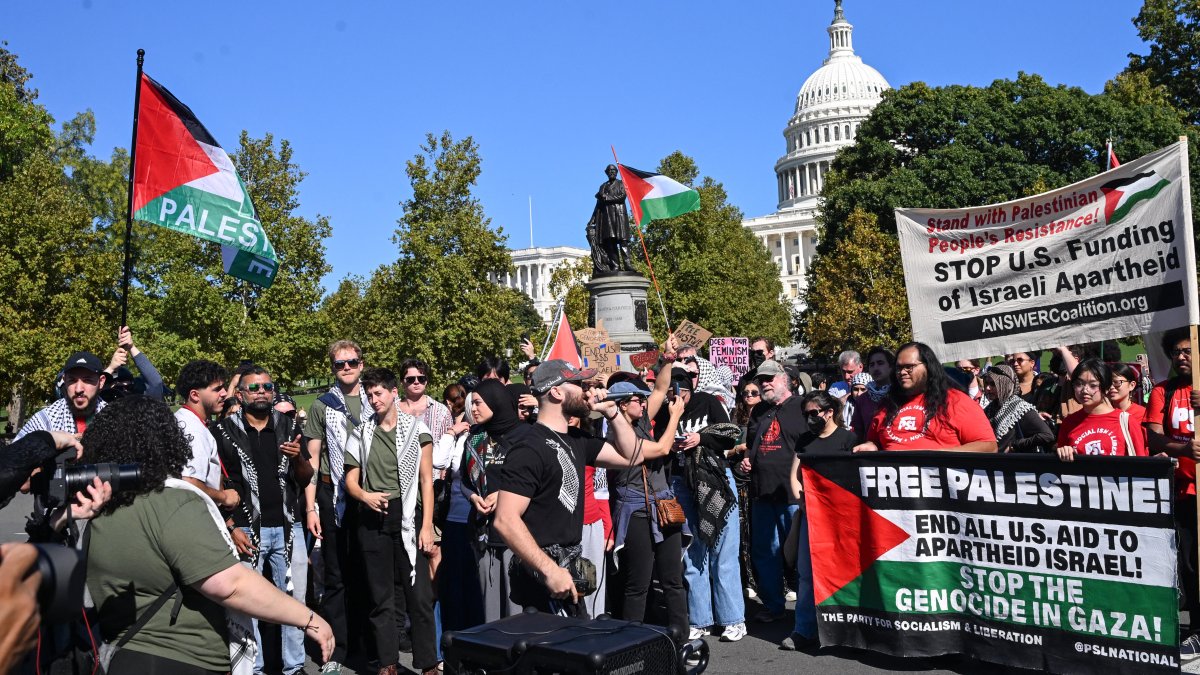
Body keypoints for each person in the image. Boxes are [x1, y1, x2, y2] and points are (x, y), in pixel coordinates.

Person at [83, 395, 333, 674]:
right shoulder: (171, 503)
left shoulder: (94, 510)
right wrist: (309, 619)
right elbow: (231, 585)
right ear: (164, 440)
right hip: (180, 657)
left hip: (119, 654)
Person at [492, 359, 647, 618]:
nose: (587, 390)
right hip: (539, 576)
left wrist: (612, 412)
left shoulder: (577, 440)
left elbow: (633, 456)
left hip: (569, 570)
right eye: (577, 383)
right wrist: (549, 570)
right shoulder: (528, 448)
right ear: (556, 391)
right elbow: (505, 520)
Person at [212, 367, 312, 675]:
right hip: (244, 527)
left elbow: (305, 477)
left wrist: (297, 457)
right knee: (247, 602)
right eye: (254, 387)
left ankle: (293, 666)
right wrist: (230, 525)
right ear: (240, 394)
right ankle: (251, 668)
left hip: (288, 526)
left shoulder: (289, 425)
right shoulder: (222, 431)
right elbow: (214, 483)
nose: (262, 392)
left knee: (294, 599)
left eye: (267, 387)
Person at [343, 367, 438, 675]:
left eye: (379, 393)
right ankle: (387, 662)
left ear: (394, 393)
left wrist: (427, 526)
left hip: (408, 514)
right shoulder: (360, 432)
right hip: (373, 517)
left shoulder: (417, 430)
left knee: (419, 595)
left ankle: (428, 663)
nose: (374, 400)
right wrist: (365, 496)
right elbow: (351, 481)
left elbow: (426, 481)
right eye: (369, 395)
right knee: (380, 596)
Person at [303, 340, 369, 675]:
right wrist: (311, 508)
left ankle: (368, 646)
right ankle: (337, 649)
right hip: (333, 496)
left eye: (351, 362)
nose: (346, 368)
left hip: (371, 494)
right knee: (336, 573)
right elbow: (312, 461)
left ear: (361, 364)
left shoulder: (377, 398)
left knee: (369, 572)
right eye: (339, 364)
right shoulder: (321, 406)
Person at [605, 377, 688, 633]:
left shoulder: (640, 421)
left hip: (663, 506)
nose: (643, 403)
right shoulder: (618, 435)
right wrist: (675, 416)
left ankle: (680, 638)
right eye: (637, 400)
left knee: (673, 580)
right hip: (637, 511)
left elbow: (661, 388)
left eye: (644, 399)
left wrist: (667, 360)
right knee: (638, 584)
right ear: (621, 405)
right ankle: (632, 643)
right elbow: (662, 449)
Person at [781, 390, 855, 651]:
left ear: (829, 412)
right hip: (811, 516)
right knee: (806, 575)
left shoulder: (848, 439)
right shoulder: (805, 440)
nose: (809, 418)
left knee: (844, 574)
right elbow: (794, 475)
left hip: (841, 519)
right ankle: (804, 630)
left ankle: (846, 632)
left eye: (814, 413)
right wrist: (801, 501)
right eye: (806, 414)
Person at [455, 380, 529, 623]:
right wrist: (473, 497)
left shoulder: (525, 436)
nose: (473, 408)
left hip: (517, 534)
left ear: (495, 402)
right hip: (484, 533)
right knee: (491, 609)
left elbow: (534, 479)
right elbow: (465, 480)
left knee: (517, 608)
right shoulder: (475, 438)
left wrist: (505, 495)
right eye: (472, 403)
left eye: (478, 403)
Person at [738, 359, 807, 623]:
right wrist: (748, 459)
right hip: (762, 493)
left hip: (793, 496)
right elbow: (751, 445)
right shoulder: (758, 411)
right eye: (761, 380)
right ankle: (773, 605)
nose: (764, 384)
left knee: (799, 555)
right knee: (765, 553)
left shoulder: (802, 407)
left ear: (784, 379)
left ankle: (806, 612)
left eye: (769, 379)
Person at [1146, 327, 1200, 659]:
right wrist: (1183, 448)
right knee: (1191, 564)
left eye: (1187, 350)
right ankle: (1197, 629)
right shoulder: (1163, 392)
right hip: (1183, 492)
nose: (1181, 356)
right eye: (1175, 352)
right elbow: (1154, 438)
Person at [854, 342, 997, 453]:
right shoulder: (886, 405)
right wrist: (871, 446)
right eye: (898, 368)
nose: (902, 372)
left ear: (928, 367)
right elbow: (874, 442)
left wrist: (939, 457)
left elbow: (989, 446)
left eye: (909, 367)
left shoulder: (956, 401)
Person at [176, 360, 240, 511]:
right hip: (195, 515)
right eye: (217, 389)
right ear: (195, 395)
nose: (224, 393)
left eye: (224, 387)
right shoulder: (193, 429)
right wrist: (224, 497)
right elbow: (189, 483)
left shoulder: (184, 419)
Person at [1056, 359, 1146, 460]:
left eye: (1093, 385)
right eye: (1079, 384)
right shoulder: (1069, 423)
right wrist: (1064, 452)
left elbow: (1140, 464)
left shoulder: (1126, 421)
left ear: (1106, 388)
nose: (1085, 390)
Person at [15, 352, 108, 440]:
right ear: (64, 380)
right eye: (72, 380)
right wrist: (51, 442)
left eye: (87, 380)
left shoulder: (111, 417)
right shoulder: (46, 419)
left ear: (101, 382)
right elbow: (16, 449)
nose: (78, 389)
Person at [981, 365, 1054, 453]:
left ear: (1005, 384)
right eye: (986, 383)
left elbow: (1047, 435)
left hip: (1014, 460)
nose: (988, 388)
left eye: (993, 384)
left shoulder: (1020, 408)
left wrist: (1015, 446)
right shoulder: (990, 408)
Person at [100, 326, 165, 401]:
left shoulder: (140, 403)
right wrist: (111, 368)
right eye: (118, 388)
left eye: (128, 387)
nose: (123, 392)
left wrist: (131, 347)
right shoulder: (101, 402)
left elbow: (155, 382)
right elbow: (93, 387)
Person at [1107, 362, 1147, 441]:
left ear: (1132, 385)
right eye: (1108, 383)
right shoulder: (1101, 413)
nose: (1111, 387)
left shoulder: (1143, 414)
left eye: (1117, 382)